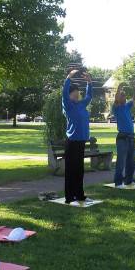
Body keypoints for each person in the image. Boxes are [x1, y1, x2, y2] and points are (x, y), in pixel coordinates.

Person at [61, 69, 95, 206]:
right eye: (74, 95)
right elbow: (64, 93)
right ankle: (69, 197)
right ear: (69, 96)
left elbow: (89, 96)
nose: (77, 97)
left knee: (79, 170)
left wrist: (89, 83)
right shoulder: (68, 105)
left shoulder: (81, 104)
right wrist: (69, 77)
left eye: (77, 95)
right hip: (72, 142)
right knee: (71, 171)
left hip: (81, 142)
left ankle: (80, 195)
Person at [112, 84, 135, 188]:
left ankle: (129, 180)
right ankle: (118, 182)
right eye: (122, 96)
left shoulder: (127, 106)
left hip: (131, 137)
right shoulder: (116, 108)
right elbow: (116, 98)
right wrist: (119, 88)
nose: (124, 98)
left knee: (132, 161)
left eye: (124, 96)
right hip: (122, 138)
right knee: (121, 161)